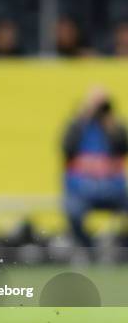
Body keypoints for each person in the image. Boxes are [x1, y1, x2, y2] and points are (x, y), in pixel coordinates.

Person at [62, 88, 128, 248]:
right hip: (82, 191)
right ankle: (87, 248)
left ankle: (121, 248)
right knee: (73, 211)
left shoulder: (114, 128)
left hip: (113, 190)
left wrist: (110, 124)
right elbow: (67, 149)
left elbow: (122, 146)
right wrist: (83, 117)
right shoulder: (76, 128)